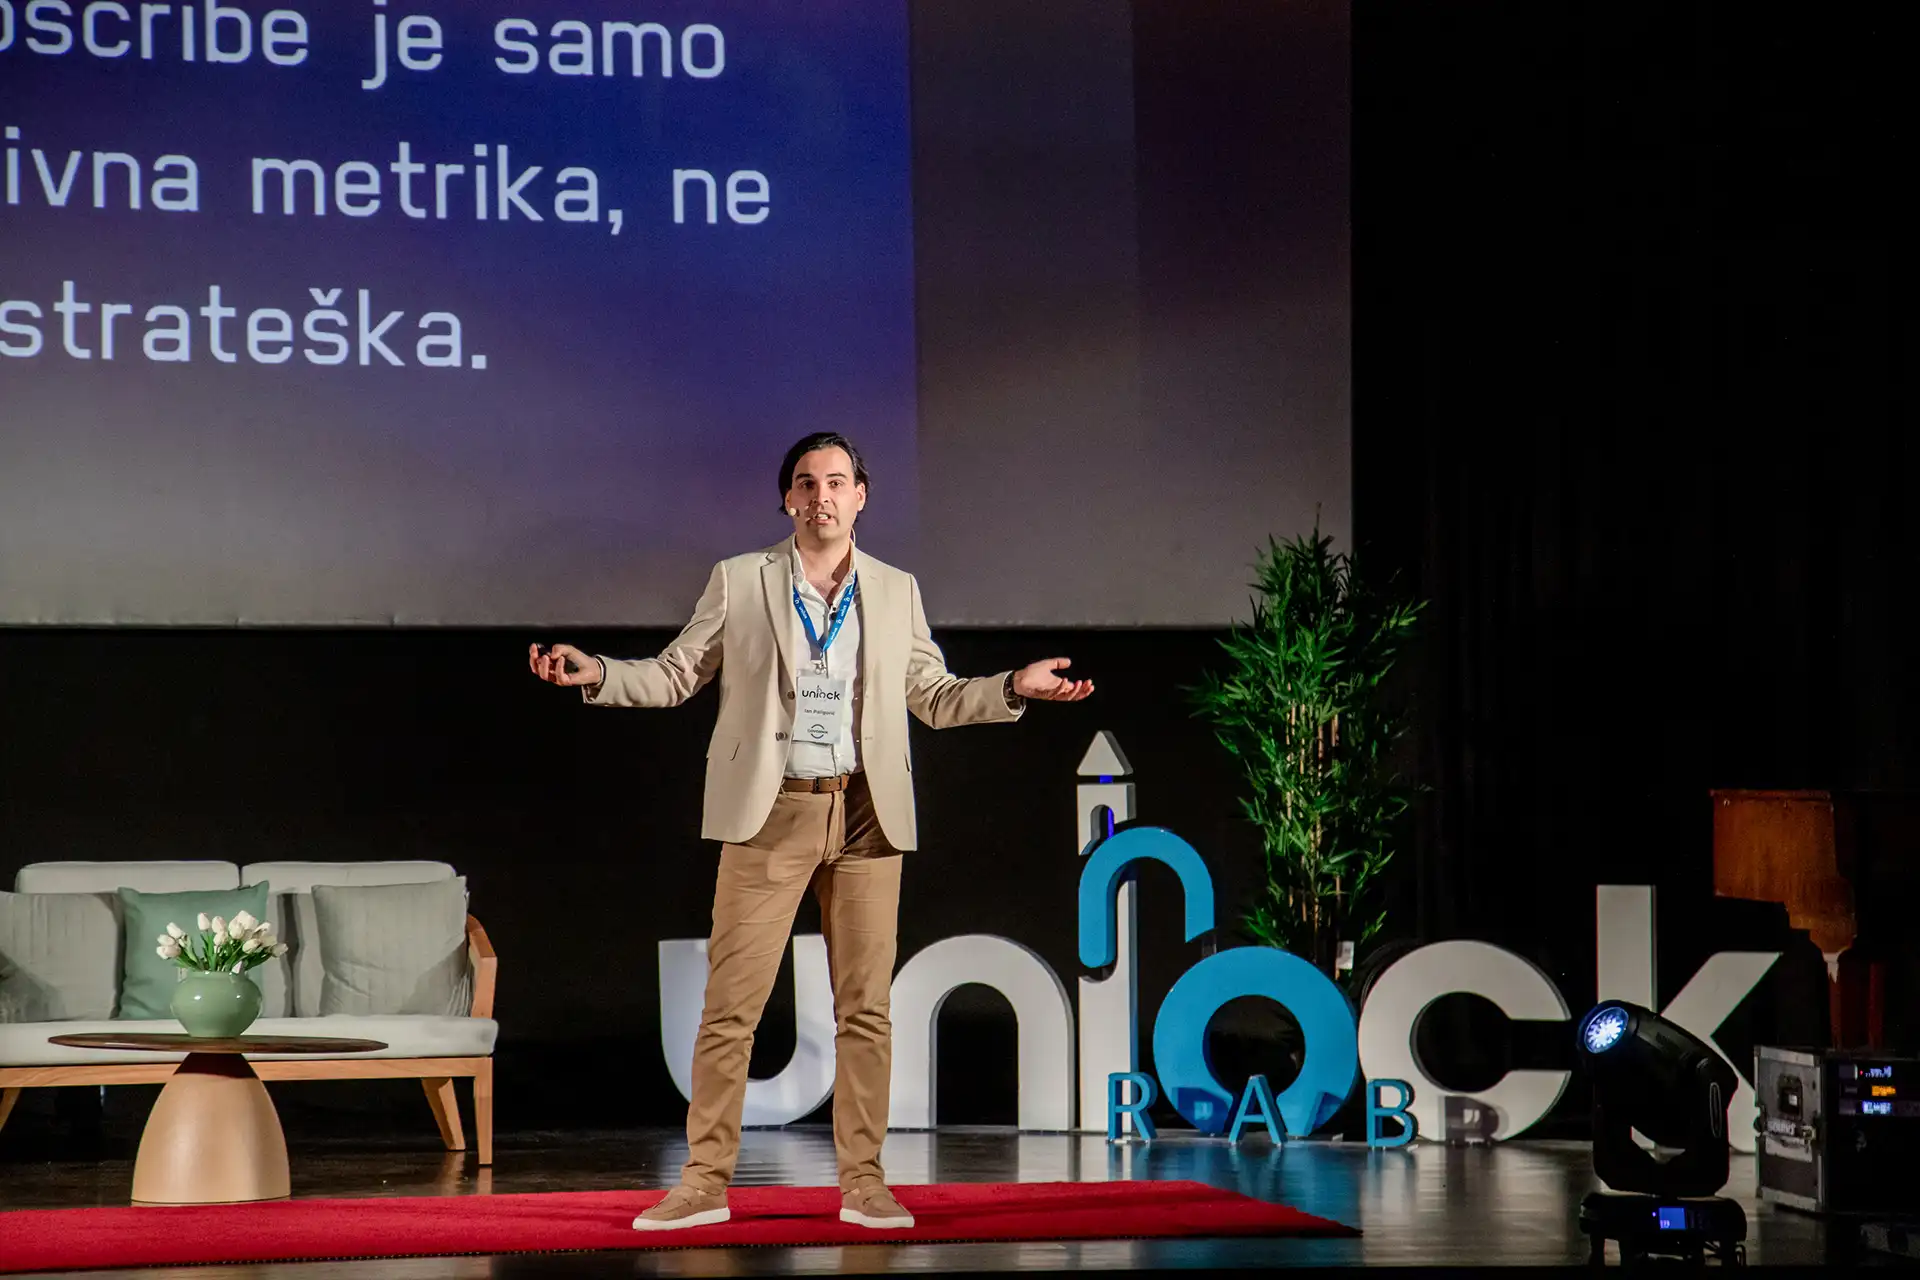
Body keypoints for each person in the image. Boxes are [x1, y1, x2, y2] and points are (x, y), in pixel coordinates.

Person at [528, 432, 1093, 1232]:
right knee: (732, 1009)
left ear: (861, 495)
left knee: (866, 1011)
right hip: (771, 810)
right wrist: (600, 673)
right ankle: (703, 1184)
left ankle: (865, 1184)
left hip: (867, 812)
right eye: (805, 482)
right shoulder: (741, 580)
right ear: (787, 499)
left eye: (836, 481)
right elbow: (678, 672)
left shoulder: (895, 589)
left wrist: (1012, 687)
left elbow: (931, 695)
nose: (821, 495)